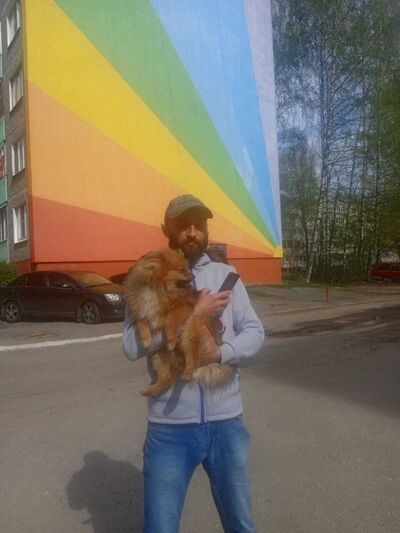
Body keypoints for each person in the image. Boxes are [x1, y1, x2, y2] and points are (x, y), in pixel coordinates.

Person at [123, 194, 265, 533]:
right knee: (160, 527)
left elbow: (255, 333)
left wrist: (220, 353)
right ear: (166, 229)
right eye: (183, 225)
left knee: (241, 525)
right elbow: (130, 346)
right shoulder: (148, 277)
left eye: (199, 225)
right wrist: (191, 317)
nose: (192, 232)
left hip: (226, 424)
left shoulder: (227, 275)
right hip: (169, 429)